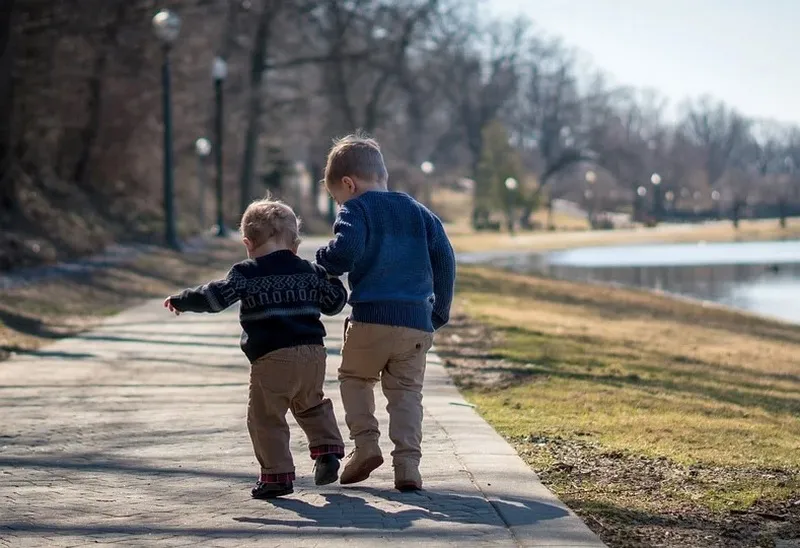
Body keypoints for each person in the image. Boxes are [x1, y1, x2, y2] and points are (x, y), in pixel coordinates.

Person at [164, 199, 347, 499]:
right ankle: (327, 452)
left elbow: (215, 298)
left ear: (248, 243)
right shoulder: (309, 271)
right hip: (313, 354)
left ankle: (277, 476)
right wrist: (332, 278)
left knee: (265, 417)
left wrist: (183, 300)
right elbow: (334, 303)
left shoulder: (246, 273)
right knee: (311, 403)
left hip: (272, 357)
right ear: (294, 244)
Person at [316, 133, 456, 492]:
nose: (339, 203)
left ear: (349, 184)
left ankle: (365, 446)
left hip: (371, 319)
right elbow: (445, 259)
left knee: (355, 379)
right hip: (415, 323)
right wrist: (439, 311)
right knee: (407, 393)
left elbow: (345, 252)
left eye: (337, 198)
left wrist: (324, 260)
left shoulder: (356, 209)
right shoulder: (419, 212)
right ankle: (408, 466)